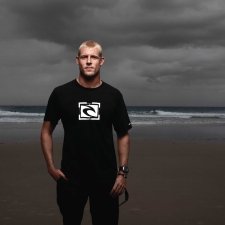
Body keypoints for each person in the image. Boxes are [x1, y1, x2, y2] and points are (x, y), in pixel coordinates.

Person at [40, 40, 132, 225]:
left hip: (106, 179)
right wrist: (50, 167)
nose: (89, 61)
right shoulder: (61, 93)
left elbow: (123, 134)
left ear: (101, 61)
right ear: (77, 60)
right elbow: (46, 131)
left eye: (93, 57)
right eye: (84, 57)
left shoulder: (113, 95)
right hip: (71, 177)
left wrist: (122, 173)